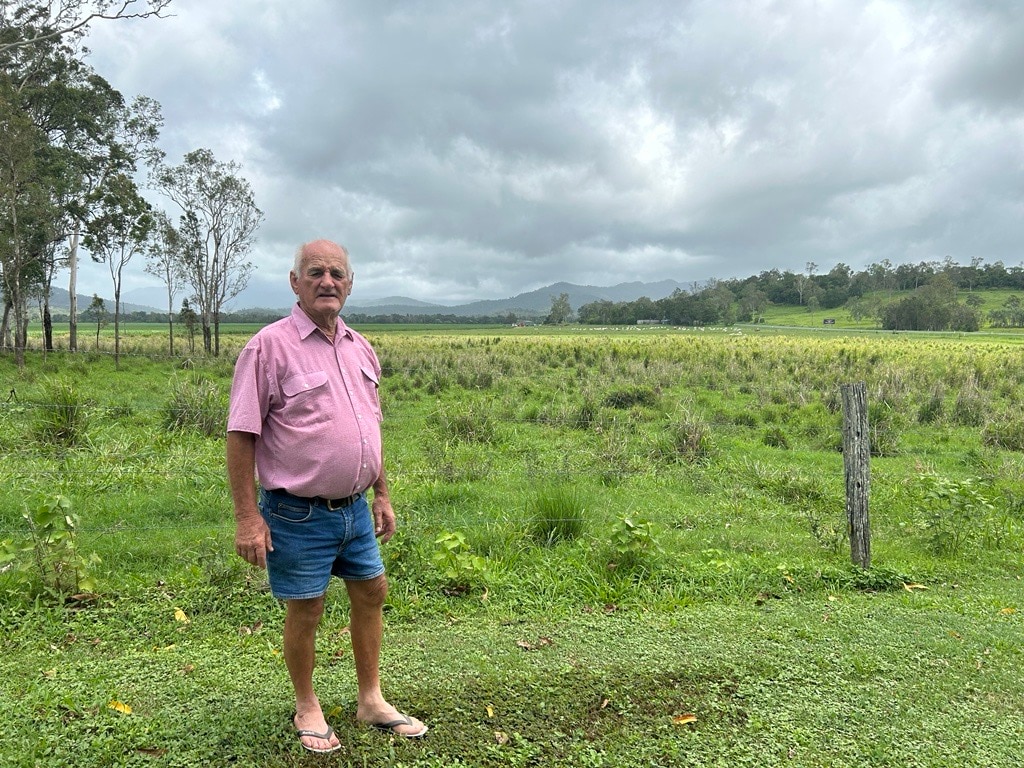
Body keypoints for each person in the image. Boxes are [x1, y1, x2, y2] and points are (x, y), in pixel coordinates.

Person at [227, 238, 428, 753]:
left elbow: (371, 427)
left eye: (337, 273)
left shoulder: (361, 347)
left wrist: (382, 494)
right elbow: (242, 434)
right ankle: (307, 705)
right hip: (296, 512)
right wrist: (248, 519)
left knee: (372, 592)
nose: (327, 281)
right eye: (314, 272)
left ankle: (370, 699)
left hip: (356, 510)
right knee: (307, 608)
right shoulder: (267, 347)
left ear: (350, 284)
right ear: (295, 283)